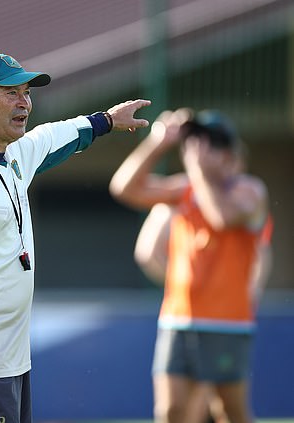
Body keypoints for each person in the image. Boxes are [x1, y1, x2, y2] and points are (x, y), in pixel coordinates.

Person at [0, 53, 150, 423]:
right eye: (10, 92)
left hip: (9, 359)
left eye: (26, 92)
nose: (24, 102)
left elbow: (52, 137)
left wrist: (106, 121)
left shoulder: (10, 152)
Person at [109, 108, 270, 423]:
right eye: (193, 143)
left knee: (229, 412)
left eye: (206, 144)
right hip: (178, 319)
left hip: (227, 322)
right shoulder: (184, 189)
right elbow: (123, 187)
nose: (196, 151)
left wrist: (197, 172)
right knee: (171, 411)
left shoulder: (250, 190)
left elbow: (221, 218)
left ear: (226, 154)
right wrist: (159, 143)